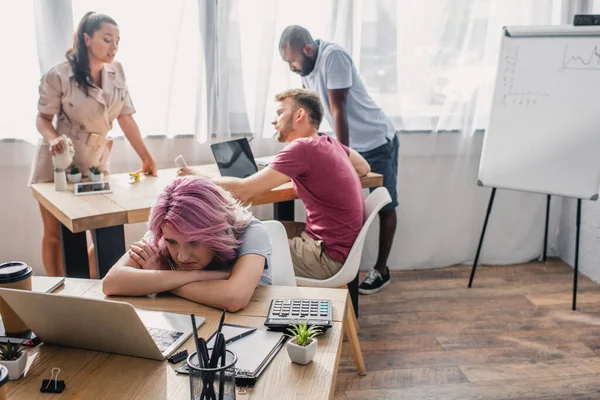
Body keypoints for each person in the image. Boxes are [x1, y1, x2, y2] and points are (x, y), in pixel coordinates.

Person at [179, 89, 369, 280]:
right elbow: (363, 167)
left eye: (280, 113)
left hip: (324, 257)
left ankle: (195, 288)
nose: (273, 121)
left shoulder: (302, 148)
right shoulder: (329, 142)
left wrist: (195, 175)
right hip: (339, 248)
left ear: (299, 114)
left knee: (228, 248)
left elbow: (245, 192)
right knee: (251, 230)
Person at [30, 12, 157, 278]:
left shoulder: (117, 70)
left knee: (102, 228)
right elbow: (43, 118)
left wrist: (147, 157)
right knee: (55, 234)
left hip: (96, 160)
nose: (114, 47)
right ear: (87, 39)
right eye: (107, 39)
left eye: (117, 41)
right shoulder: (60, 74)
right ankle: (59, 292)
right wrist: (54, 139)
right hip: (59, 160)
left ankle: (89, 290)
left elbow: (126, 117)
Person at [279, 25, 399, 294]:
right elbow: (314, 116)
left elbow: (337, 108)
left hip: (376, 140)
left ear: (307, 50)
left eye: (292, 61)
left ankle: (381, 269)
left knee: (386, 205)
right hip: (351, 145)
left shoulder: (333, 57)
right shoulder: (307, 70)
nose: (292, 68)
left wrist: (338, 155)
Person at [102, 176, 272, 312]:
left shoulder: (251, 230)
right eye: (171, 242)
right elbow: (112, 282)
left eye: (194, 242)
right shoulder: (168, 223)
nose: (182, 256)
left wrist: (162, 276)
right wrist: (198, 275)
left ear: (218, 231)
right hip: (189, 320)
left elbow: (234, 298)